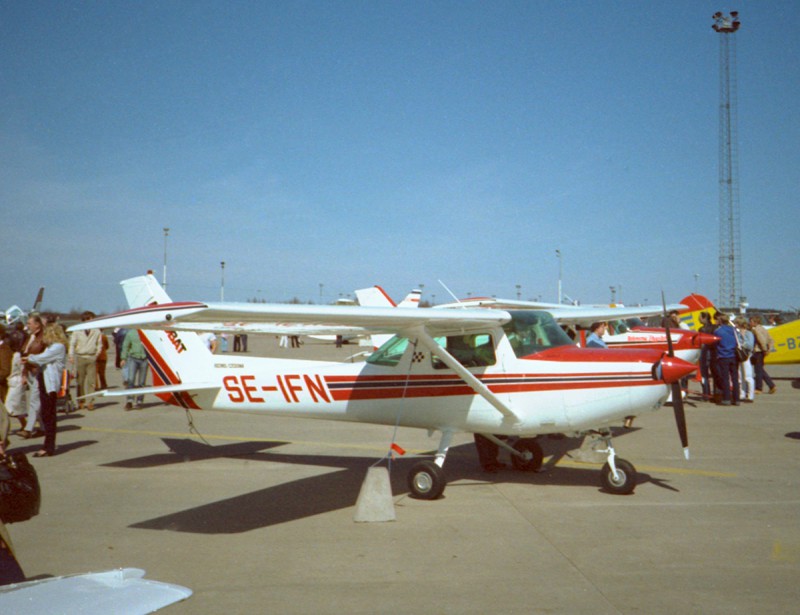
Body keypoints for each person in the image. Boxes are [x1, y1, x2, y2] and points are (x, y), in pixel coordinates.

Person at [23, 323, 67, 457]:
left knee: (49, 416)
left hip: (50, 386)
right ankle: (48, 445)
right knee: (46, 415)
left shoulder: (58, 347)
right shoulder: (52, 347)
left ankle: (48, 447)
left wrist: (28, 358)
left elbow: (42, 358)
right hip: (44, 383)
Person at [68, 311, 103, 410]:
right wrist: (71, 355)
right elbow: (72, 344)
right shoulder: (77, 330)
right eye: (90, 319)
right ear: (85, 320)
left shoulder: (97, 331)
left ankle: (90, 401)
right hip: (80, 357)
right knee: (80, 381)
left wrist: (96, 354)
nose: (92, 321)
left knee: (91, 382)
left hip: (91, 357)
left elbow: (99, 344)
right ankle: (81, 401)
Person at [18, 315, 46, 438]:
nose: (27, 326)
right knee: (35, 401)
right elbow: (25, 353)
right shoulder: (30, 337)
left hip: (38, 372)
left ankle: (28, 428)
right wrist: (24, 373)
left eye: (29, 323)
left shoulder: (43, 338)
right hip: (29, 371)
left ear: (37, 324)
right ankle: (43, 427)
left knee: (34, 401)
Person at [714, 314, 740, 406]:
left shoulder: (718, 331)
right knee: (735, 378)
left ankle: (727, 398)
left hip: (723, 356)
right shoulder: (734, 330)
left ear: (720, 321)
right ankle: (737, 399)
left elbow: (715, 344)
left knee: (725, 378)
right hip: (733, 356)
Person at [120, 329, 148, 410]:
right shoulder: (131, 333)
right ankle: (129, 401)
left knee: (142, 382)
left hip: (145, 359)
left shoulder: (148, 332)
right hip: (133, 359)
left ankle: (139, 401)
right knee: (131, 380)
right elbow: (125, 345)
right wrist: (123, 358)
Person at [749, 315, 777, 394]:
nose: (749, 323)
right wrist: (768, 349)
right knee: (760, 369)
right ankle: (771, 385)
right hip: (762, 352)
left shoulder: (756, 330)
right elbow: (771, 340)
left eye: (750, 322)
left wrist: (764, 349)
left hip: (758, 351)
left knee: (758, 371)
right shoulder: (763, 329)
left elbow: (761, 340)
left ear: (755, 322)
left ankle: (759, 388)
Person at [697, 311, 718, 402]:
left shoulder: (701, 329)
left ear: (704, 318)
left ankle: (706, 394)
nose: (699, 319)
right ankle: (716, 393)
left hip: (705, 353)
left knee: (704, 375)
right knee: (715, 374)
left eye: (700, 317)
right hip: (714, 353)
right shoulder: (715, 328)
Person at [734, 317, 755, 403]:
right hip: (739, 356)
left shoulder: (749, 333)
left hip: (746, 356)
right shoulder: (736, 333)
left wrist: (742, 342)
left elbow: (750, 345)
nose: (735, 325)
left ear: (740, 324)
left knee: (748, 376)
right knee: (740, 376)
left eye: (736, 323)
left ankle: (750, 395)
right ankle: (742, 394)